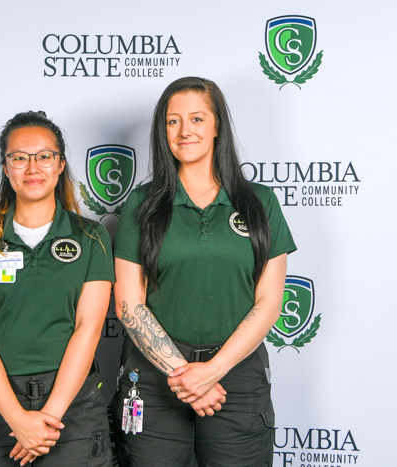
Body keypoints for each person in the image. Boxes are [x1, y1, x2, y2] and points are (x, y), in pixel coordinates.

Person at [111, 77, 297, 466]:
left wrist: (213, 370)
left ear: (217, 126)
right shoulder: (141, 206)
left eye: (196, 118)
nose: (184, 131)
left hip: (238, 379)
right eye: (172, 121)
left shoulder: (260, 202)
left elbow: (268, 302)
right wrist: (186, 376)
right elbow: (129, 304)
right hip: (155, 380)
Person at [0, 111, 114, 466]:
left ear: (60, 165)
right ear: (6, 168)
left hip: (72, 408)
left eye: (44, 156)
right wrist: (17, 419)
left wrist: (47, 419)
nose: (32, 168)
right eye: (19, 158)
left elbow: (89, 328)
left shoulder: (91, 238)